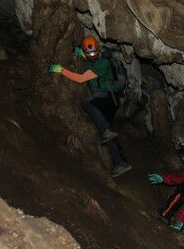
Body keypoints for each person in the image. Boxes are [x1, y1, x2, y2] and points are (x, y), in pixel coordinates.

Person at [49, 36, 131, 178]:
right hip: (107, 101)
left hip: (108, 96)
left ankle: (106, 131)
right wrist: (80, 53)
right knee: (107, 131)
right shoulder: (91, 61)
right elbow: (88, 62)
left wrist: (61, 70)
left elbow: (80, 78)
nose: (92, 57)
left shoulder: (103, 63)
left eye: (94, 54)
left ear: (98, 50)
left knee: (87, 103)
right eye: (89, 55)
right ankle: (121, 162)